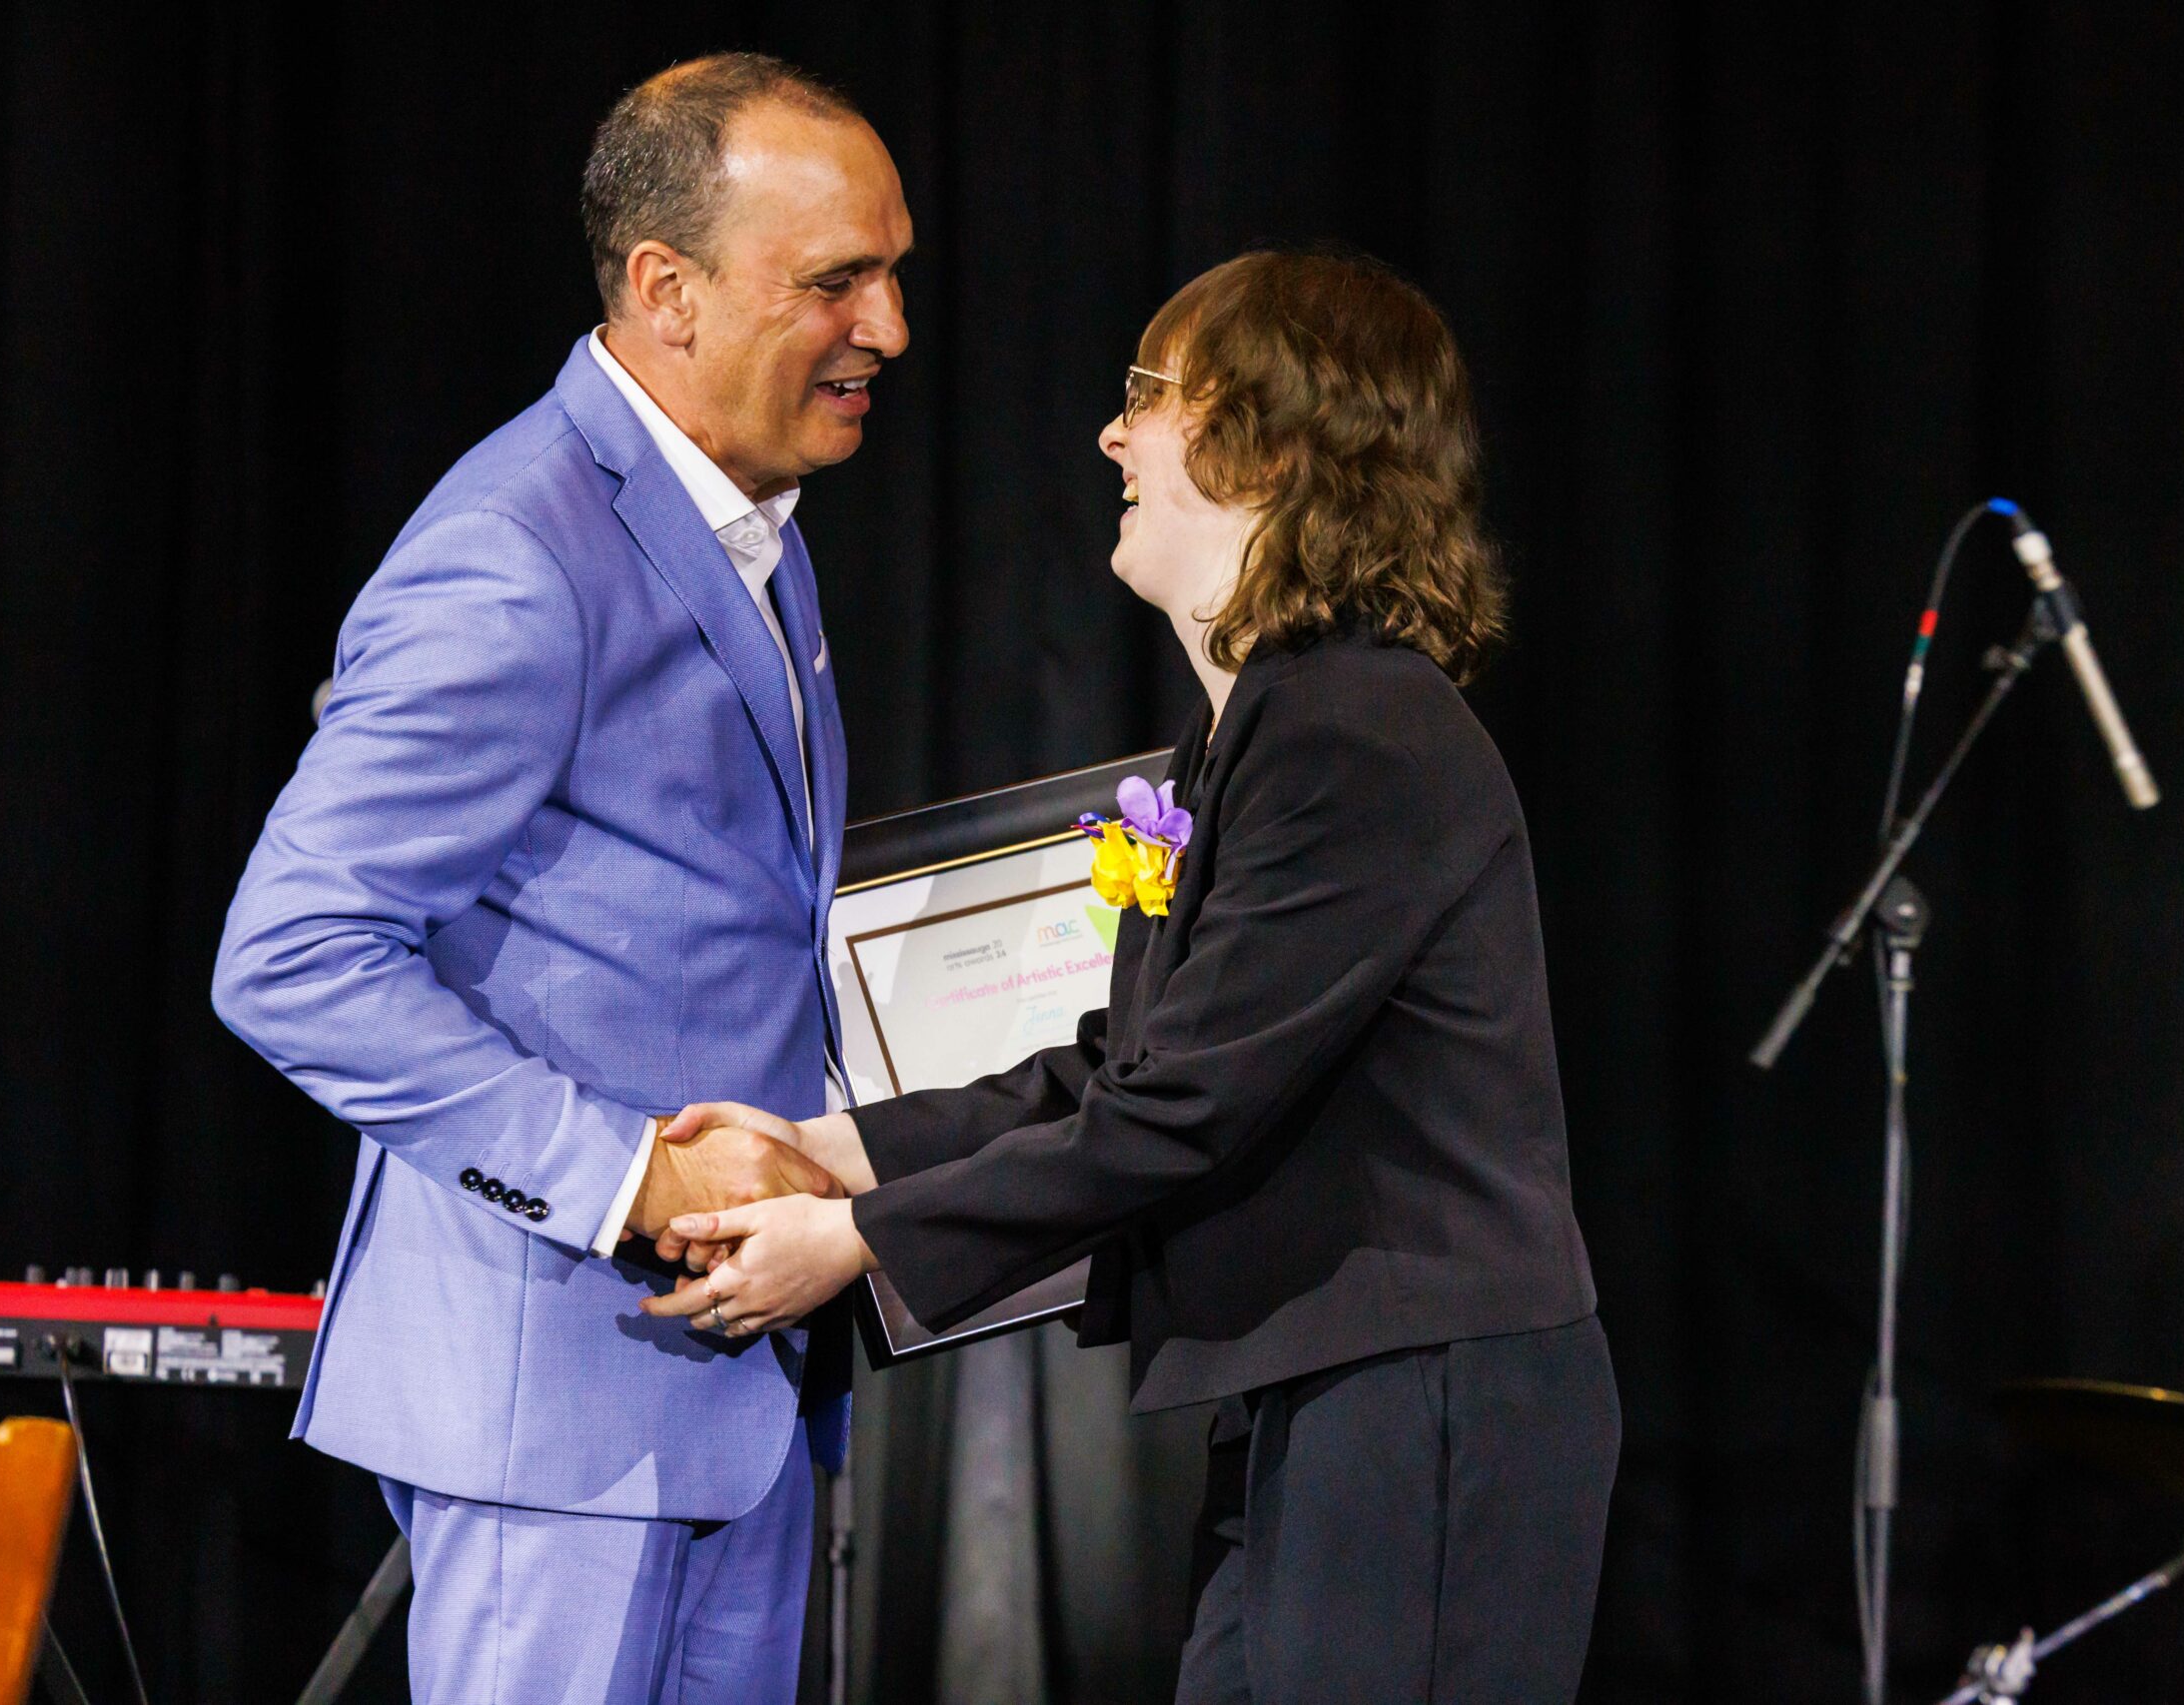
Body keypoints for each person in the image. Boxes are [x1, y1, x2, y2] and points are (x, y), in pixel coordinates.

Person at [641, 251, 1620, 1702]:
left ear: (1277, 444)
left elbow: (1181, 1111)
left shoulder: (1351, 727)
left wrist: (857, 1242)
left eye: (1149, 396)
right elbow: (1127, 1069)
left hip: (1425, 1395)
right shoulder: (1261, 721)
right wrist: (822, 1149)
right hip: (1330, 1392)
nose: (1113, 435)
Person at [211, 53, 909, 1704]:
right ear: (665, 290)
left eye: (894, 273)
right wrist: (621, 1182)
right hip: (559, 1420)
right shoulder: (517, 551)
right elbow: (293, 954)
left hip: (726, 1396)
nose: (887, 329)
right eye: (837, 281)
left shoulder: (756, 515)